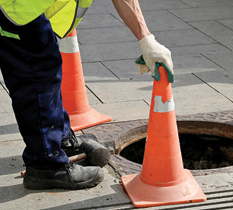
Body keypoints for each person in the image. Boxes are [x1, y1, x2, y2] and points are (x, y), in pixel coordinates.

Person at [0, 0, 173, 190]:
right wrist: (145, 38)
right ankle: (47, 165)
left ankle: (58, 139)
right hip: (13, 9)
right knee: (35, 74)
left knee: (47, 67)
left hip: (23, 8)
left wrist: (146, 39)